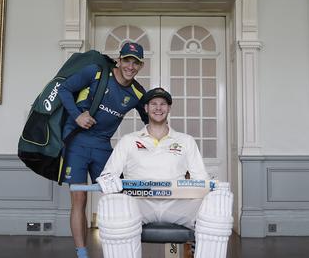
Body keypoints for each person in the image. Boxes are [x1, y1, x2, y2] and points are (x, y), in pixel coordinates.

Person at [95, 87, 234, 258]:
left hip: (177, 204)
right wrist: (108, 182)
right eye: (153, 104)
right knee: (115, 208)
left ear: (169, 108)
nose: (158, 108)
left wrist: (212, 188)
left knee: (216, 210)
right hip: (139, 204)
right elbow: (108, 175)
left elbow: (201, 179)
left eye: (163, 104)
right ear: (145, 108)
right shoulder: (129, 140)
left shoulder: (186, 141)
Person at [57, 42, 148, 258]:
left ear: (141, 66)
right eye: (127, 60)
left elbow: (150, 119)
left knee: (116, 197)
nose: (130, 66)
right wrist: (77, 116)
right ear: (119, 59)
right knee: (79, 199)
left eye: (136, 63)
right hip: (77, 143)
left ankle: (117, 250)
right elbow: (64, 89)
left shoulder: (137, 92)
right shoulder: (96, 73)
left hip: (102, 147)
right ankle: (82, 253)